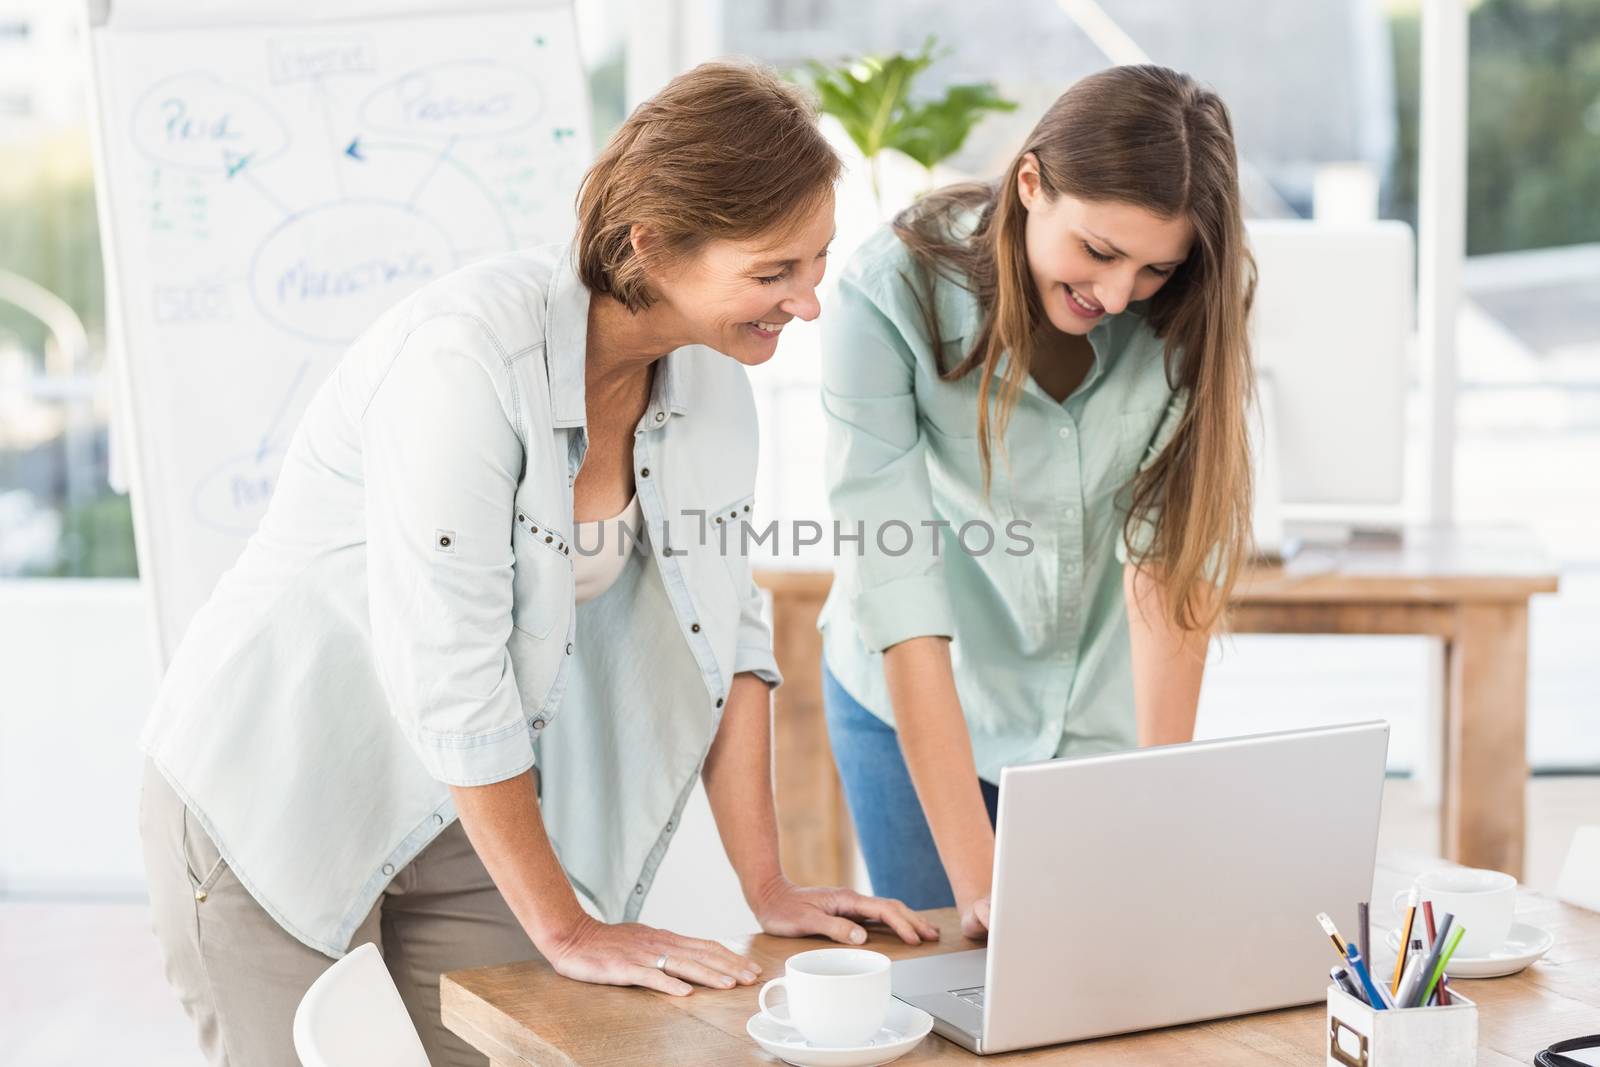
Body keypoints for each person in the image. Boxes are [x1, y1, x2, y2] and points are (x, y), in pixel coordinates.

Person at [139, 61, 937, 1067]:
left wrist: (768, 884)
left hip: (469, 811)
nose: (808, 303)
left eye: (817, 263)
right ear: (652, 243)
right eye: (775, 271)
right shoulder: (465, 359)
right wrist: (565, 928)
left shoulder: (714, 383)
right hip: (279, 791)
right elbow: (452, 667)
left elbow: (727, 635)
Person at [819, 63, 1256, 938]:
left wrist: (1161, 804)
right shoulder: (886, 292)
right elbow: (897, 586)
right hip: (917, 698)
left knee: (1110, 976)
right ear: (1030, 185)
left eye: (1154, 268)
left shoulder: (1192, 305)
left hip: (1098, 716)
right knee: (958, 983)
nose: (1119, 294)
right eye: (1098, 251)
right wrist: (980, 884)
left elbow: (1169, 567)